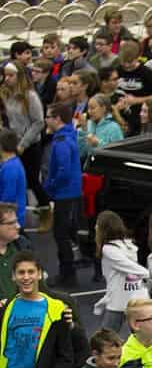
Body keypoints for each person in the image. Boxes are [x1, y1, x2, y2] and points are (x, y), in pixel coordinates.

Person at [42, 102, 82, 287]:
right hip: (68, 194)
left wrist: (50, 186)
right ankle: (67, 273)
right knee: (64, 234)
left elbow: (63, 171)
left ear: (57, 119)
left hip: (65, 195)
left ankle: (68, 276)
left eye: (48, 116)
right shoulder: (67, 137)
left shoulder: (61, 143)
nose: (46, 120)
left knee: (61, 235)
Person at [1, 62, 48, 217]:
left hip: (31, 144)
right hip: (14, 142)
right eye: (5, 75)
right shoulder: (7, 93)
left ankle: (45, 210)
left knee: (32, 180)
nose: (6, 79)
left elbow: (39, 122)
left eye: (10, 75)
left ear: (19, 76)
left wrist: (23, 144)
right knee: (17, 179)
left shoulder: (30, 96)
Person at [93, 209, 148, 328]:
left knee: (105, 339)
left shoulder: (108, 249)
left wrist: (146, 273)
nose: (95, 227)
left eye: (97, 224)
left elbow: (128, 266)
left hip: (118, 302)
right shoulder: (129, 245)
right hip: (134, 298)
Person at [112, 39, 152, 138]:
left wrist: (136, 100)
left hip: (141, 120)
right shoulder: (117, 70)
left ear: (138, 57)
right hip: (121, 120)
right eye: (124, 62)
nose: (126, 66)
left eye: (130, 62)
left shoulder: (145, 72)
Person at [0, 130, 27, 229]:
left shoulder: (10, 168)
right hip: (12, 217)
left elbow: (7, 198)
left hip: (10, 220)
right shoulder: (12, 163)